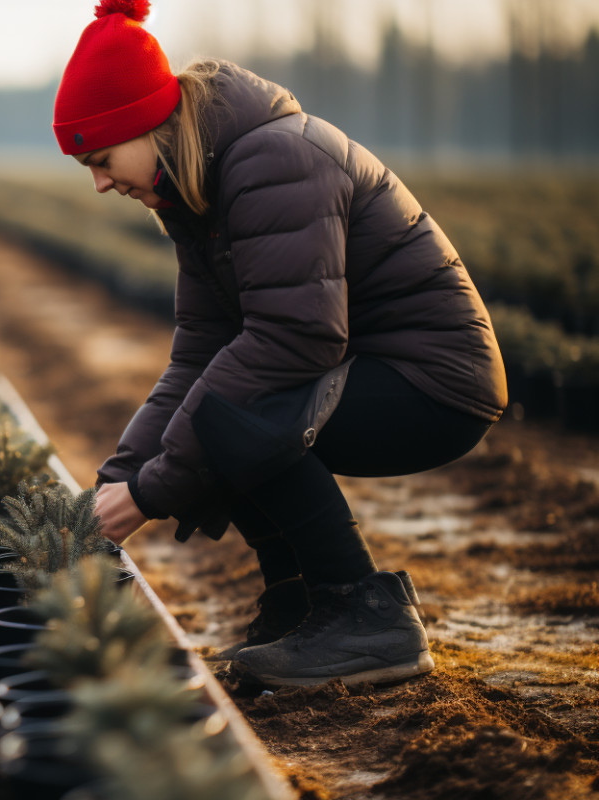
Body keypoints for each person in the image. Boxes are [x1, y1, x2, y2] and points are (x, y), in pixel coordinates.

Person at [59, 0, 506, 687]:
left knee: (235, 417)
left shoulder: (274, 158)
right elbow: (198, 356)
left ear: (148, 126)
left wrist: (150, 493)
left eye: (102, 157)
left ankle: (363, 613)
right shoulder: (193, 192)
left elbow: (297, 337)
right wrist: (115, 481)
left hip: (432, 384)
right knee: (218, 410)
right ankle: (300, 607)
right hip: (367, 370)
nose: (98, 181)